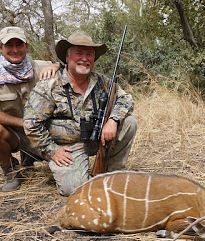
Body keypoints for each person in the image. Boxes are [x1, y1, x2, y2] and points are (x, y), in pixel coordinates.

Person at [23, 31, 137, 196]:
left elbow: (126, 100)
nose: (85, 58)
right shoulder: (49, 85)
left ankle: (113, 172)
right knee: (75, 190)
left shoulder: (102, 82)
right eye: (79, 53)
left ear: (94, 58)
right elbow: (31, 123)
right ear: (67, 57)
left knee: (129, 123)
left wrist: (112, 120)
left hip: (97, 139)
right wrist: (51, 150)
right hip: (68, 147)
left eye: (89, 54)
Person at [0, 26, 59, 192]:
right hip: (15, 135)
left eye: (19, 44)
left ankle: (31, 156)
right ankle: (10, 169)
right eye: (9, 45)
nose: (15, 50)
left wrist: (55, 66)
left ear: (27, 46)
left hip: (44, 134)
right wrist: (25, 123)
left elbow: (64, 67)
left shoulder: (40, 67)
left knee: (66, 175)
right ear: (1, 48)